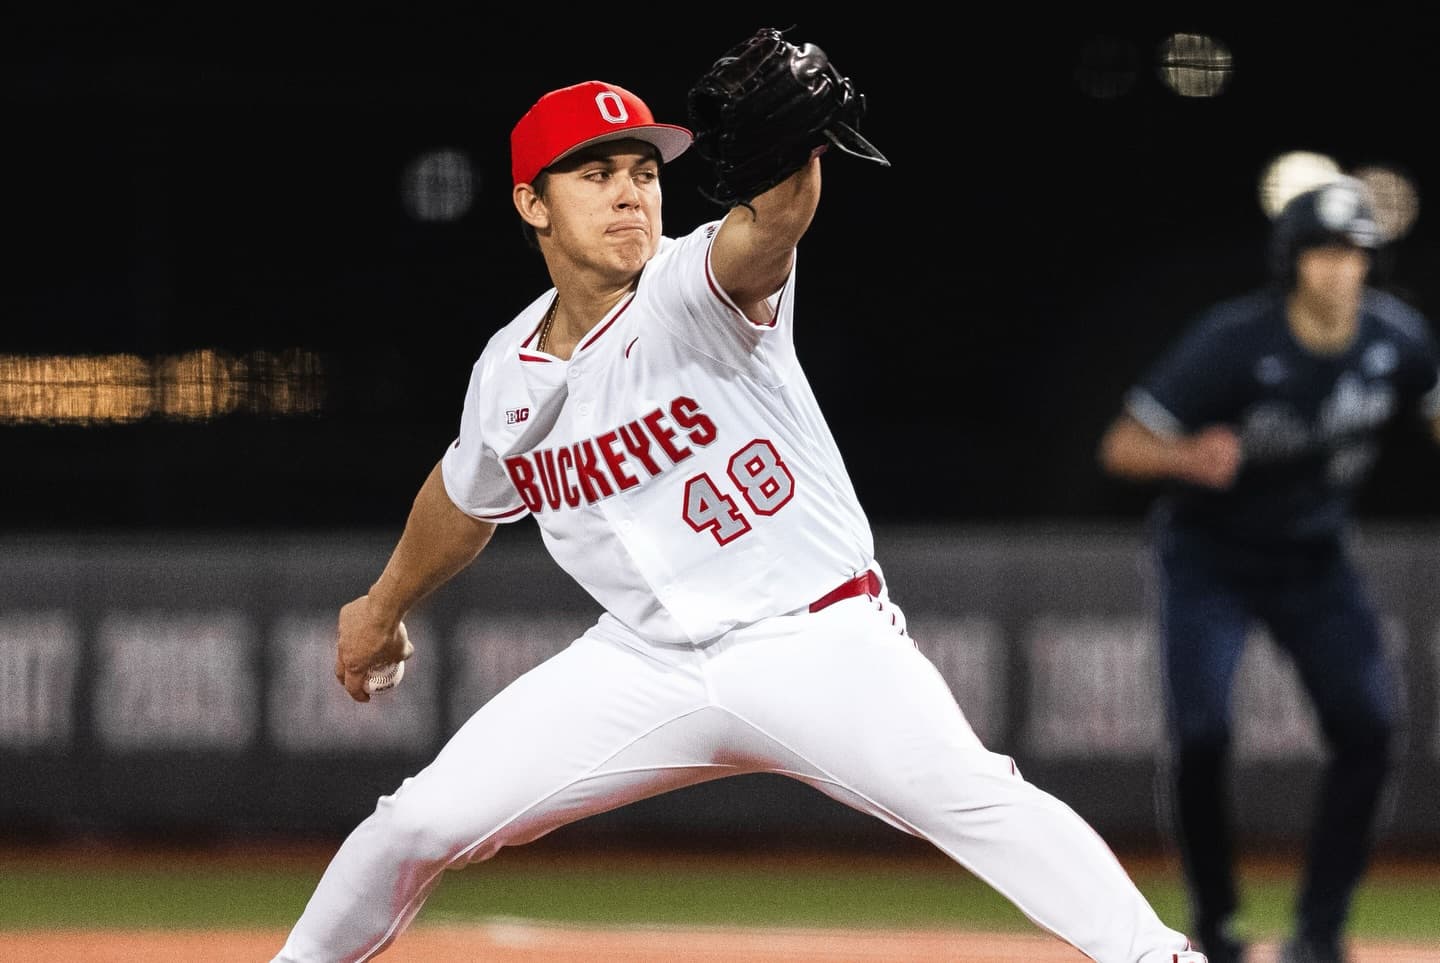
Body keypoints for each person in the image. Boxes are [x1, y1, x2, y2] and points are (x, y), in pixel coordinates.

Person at [271, 39, 1206, 962]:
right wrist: (383, 605)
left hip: (812, 638)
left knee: (973, 796)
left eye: (644, 172)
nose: (630, 192)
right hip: (641, 663)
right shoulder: (506, 368)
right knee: (415, 821)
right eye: (595, 174)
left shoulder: (689, 287)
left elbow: (767, 232)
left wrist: (797, 153)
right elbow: (466, 492)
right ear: (532, 203)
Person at [1097, 175, 1440, 963]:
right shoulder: (1234, 340)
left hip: (1315, 560)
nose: (1338, 268)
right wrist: (1186, 455)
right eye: (1322, 251)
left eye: (1353, 251)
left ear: (1371, 262)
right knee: (1203, 733)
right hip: (1210, 557)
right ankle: (1217, 922)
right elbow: (1121, 445)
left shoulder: (1397, 338)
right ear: (1293, 262)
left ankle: (1318, 932)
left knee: (1369, 727)